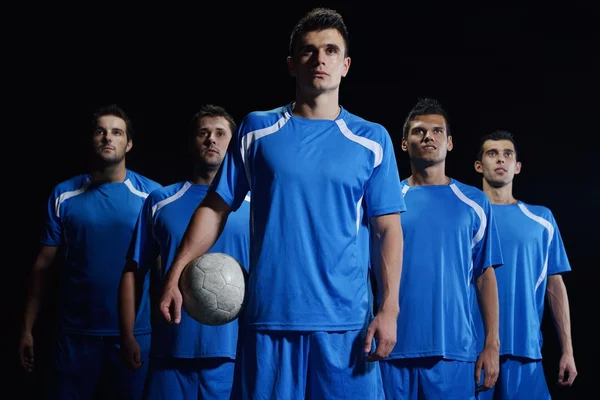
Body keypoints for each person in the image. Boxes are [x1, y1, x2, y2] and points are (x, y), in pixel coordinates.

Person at [158, 7, 405, 400]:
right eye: (308, 51)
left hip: (345, 324)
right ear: (292, 64)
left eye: (330, 50)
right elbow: (215, 207)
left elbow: (387, 229)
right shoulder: (257, 129)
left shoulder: (372, 139)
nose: (319, 59)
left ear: (345, 65)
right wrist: (175, 273)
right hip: (269, 319)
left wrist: (389, 309)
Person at [18, 104, 162, 399]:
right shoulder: (64, 194)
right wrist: (27, 329)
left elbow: (163, 266)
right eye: (101, 131)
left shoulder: (152, 196)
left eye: (117, 132)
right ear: (91, 140)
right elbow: (42, 267)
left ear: (129, 143)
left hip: (134, 337)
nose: (108, 137)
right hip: (75, 337)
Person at [118, 104, 250, 400]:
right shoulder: (161, 201)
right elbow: (132, 271)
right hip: (171, 350)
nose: (211, 140)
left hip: (236, 353)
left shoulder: (256, 204)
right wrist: (127, 335)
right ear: (191, 143)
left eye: (220, 133)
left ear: (234, 145)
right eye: (203, 133)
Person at [377, 98, 503, 400]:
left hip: (454, 352)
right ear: (405, 143)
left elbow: (485, 276)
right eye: (419, 132)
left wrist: (492, 345)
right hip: (390, 348)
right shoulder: (384, 199)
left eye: (436, 132)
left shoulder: (474, 202)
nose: (428, 137)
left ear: (449, 143)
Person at [473, 130, 577, 399]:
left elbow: (555, 287)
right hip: (470, 349)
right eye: (492, 153)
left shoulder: (541, 220)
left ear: (517, 167)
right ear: (478, 165)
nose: (500, 159)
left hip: (524, 349)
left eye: (508, 154)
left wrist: (568, 350)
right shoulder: (464, 217)